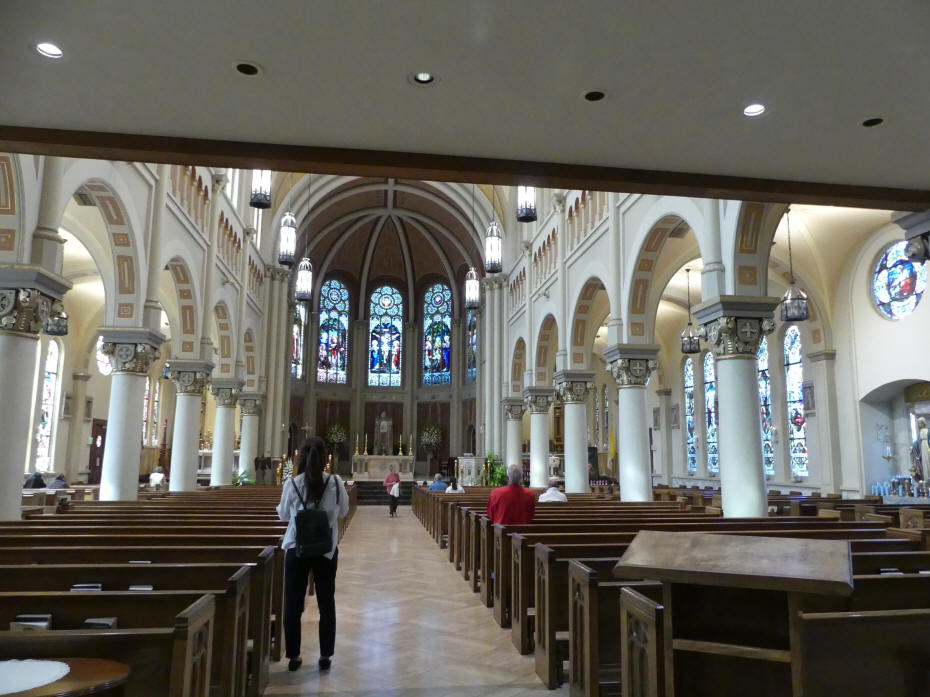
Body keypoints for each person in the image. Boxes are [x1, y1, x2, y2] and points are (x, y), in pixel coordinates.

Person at [277, 436, 349, 673]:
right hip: (326, 551)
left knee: (293, 603)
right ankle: (325, 655)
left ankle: (294, 656)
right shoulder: (335, 483)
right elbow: (344, 511)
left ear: (302, 457)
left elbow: (283, 515)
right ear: (324, 457)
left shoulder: (293, 483)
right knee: (326, 603)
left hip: (297, 549)